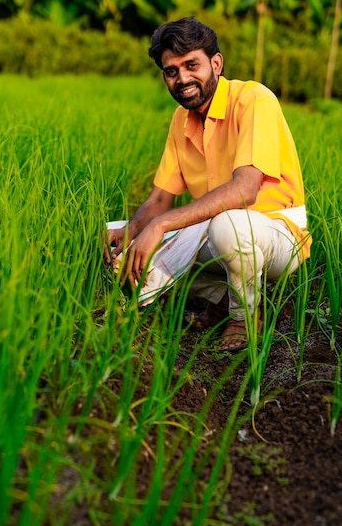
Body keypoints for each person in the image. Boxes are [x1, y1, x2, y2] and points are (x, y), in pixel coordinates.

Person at [104, 17, 311, 351]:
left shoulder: (254, 100)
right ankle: (224, 298)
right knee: (122, 251)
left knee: (227, 226)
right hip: (213, 229)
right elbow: (159, 200)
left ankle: (245, 318)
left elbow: (245, 190)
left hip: (277, 232)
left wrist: (160, 225)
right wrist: (132, 230)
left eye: (191, 65)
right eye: (171, 71)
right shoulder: (181, 120)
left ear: (216, 63)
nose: (182, 78)